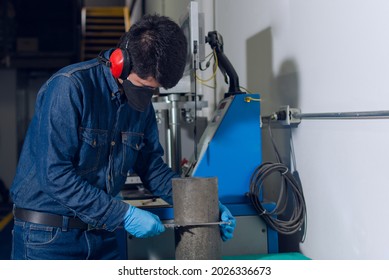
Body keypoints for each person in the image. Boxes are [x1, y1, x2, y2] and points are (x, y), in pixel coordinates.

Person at [10, 14, 236, 260]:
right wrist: (123, 215)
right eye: (145, 86)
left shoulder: (141, 105)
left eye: (155, 89)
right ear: (121, 61)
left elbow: (152, 168)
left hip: (101, 234)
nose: (148, 95)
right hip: (48, 237)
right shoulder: (69, 88)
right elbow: (55, 175)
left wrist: (205, 207)